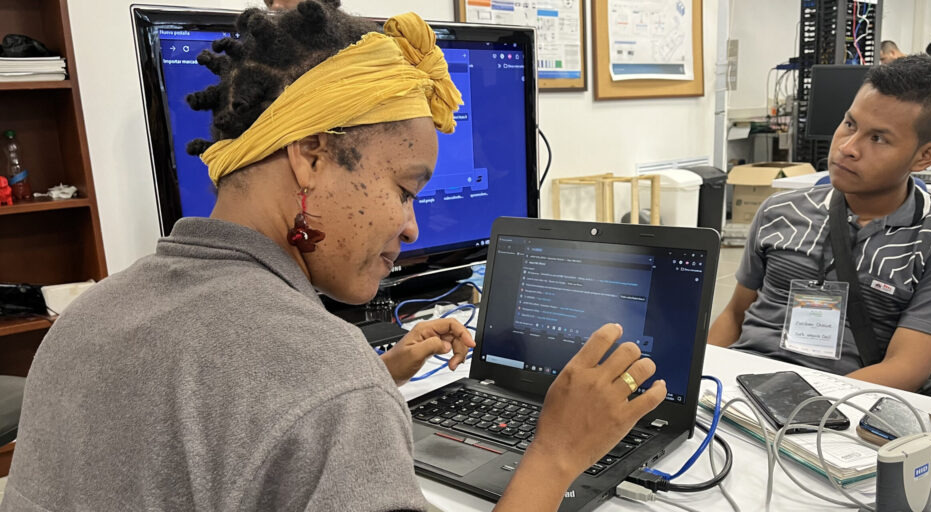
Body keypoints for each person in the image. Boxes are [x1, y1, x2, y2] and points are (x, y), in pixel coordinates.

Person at [0, 3, 666, 511]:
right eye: (406, 189)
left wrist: (380, 376)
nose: (410, 228)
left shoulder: (88, 316)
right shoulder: (324, 379)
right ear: (312, 154)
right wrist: (557, 453)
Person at [709, 55, 931, 398]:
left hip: (846, 408)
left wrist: (788, 404)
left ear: (924, 157)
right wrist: (700, 381)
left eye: (879, 139)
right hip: (739, 387)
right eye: (850, 124)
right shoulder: (779, 211)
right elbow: (734, 316)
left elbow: (905, 369)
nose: (847, 147)